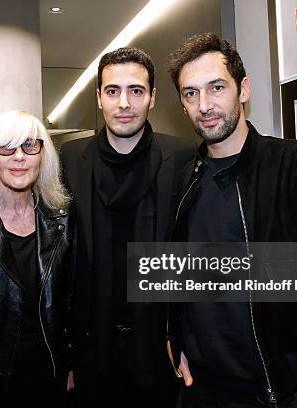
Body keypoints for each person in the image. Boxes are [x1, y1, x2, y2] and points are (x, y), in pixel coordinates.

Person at [166, 33, 297, 407]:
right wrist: (179, 341)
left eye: (216, 87)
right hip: (201, 390)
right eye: (190, 93)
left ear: (244, 89)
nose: (204, 104)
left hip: (277, 392)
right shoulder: (185, 178)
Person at [60, 47, 195, 406]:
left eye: (136, 90)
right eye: (112, 91)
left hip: (159, 352)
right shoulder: (71, 158)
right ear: (98, 98)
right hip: (91, 351)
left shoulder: (183, 158)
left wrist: (185, 340)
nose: (124, 103)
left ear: (152, 97)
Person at [0, 110, 70, 406]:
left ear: (43, 156)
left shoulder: (65, 222)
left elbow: (75, 302)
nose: (19, 157)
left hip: (51, 378)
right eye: (7, 148)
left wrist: (72, 364)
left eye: (29, 146)